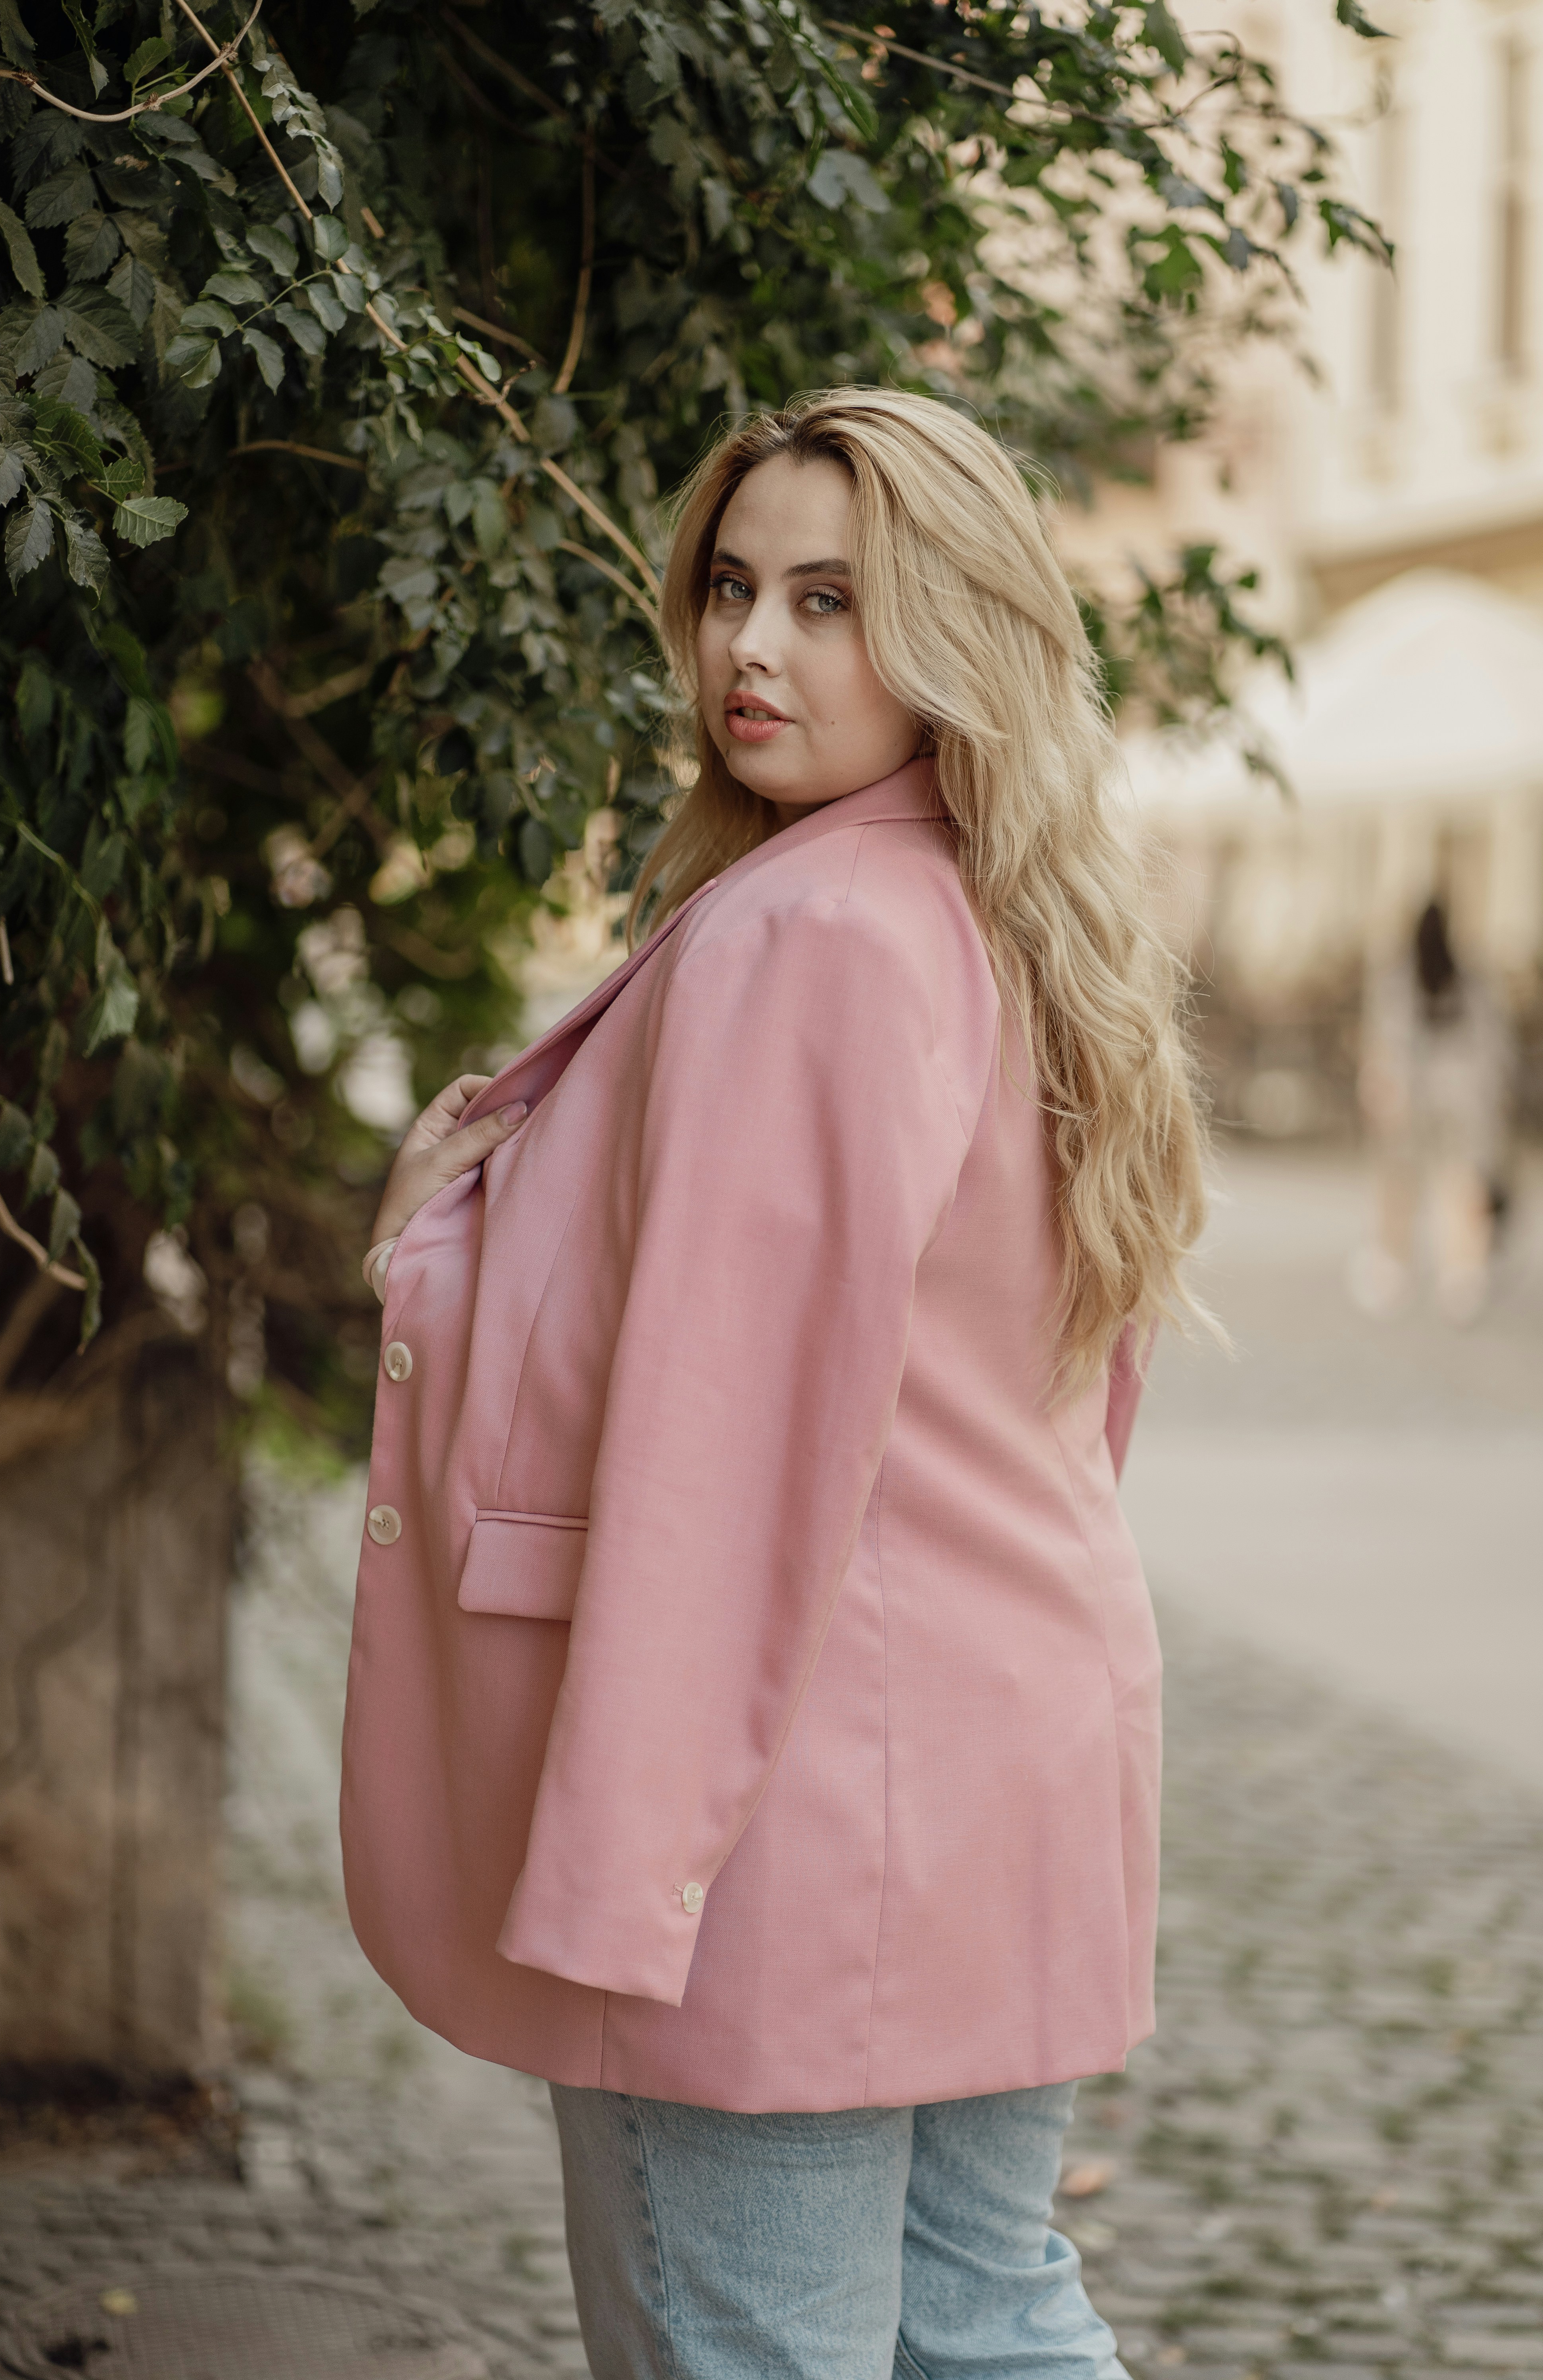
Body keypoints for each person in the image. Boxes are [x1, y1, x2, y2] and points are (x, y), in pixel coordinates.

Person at [342, 390, 1209, 2380]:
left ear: (953, 627)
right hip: (1009, 1768)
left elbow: (720, 1457)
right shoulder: (1003, 923)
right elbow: (1063, 1411)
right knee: (986, 2315)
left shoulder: (811, 933)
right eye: (731, 588)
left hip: (780, 1823)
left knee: (761, 2347)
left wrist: (619, 1862)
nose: (751, 647)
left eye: (832, 599)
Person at [1351, 895, 1514, 1324]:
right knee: (1463, 1185)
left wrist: (1379, 1087)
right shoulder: (1471, 977)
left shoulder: (1398, 978)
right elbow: (1494, 1042)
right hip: (1465, 1096)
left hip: (1410, 1093)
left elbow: (1384, 1037)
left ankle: (1393, 1268)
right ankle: (1462, 1277)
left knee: (1401, 1183)